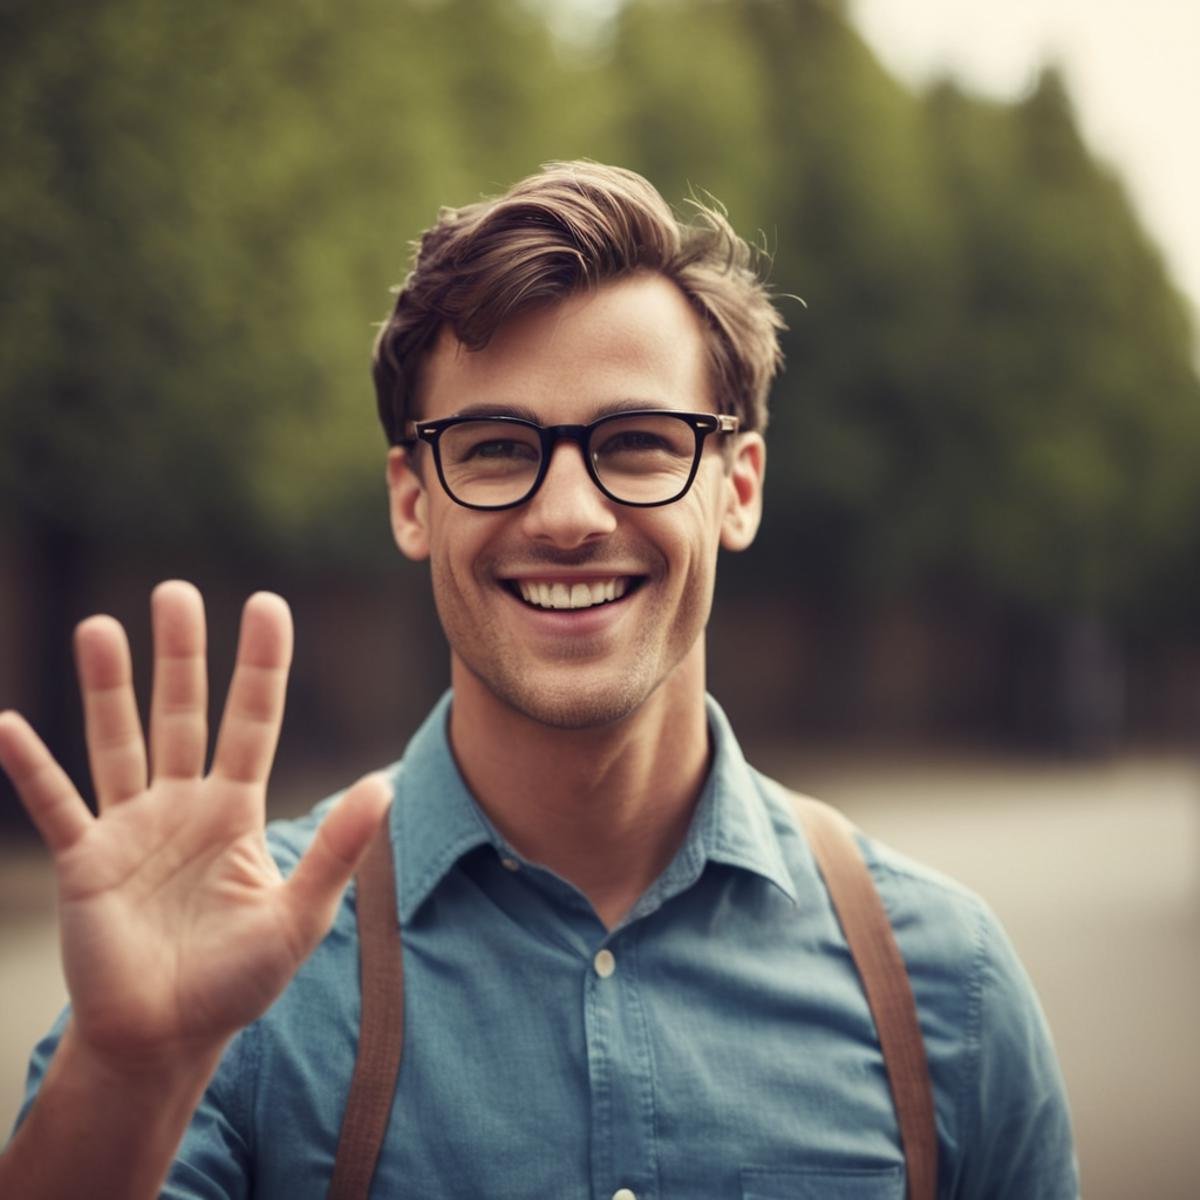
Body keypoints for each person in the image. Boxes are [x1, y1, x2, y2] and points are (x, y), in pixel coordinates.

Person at [0, 161, 1078, 1198]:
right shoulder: (238, 979)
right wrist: (126, 1082)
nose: (568, 517)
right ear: (414, 499)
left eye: (643, 442)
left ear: (737, 488)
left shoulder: (946, 987)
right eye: (496, 447)